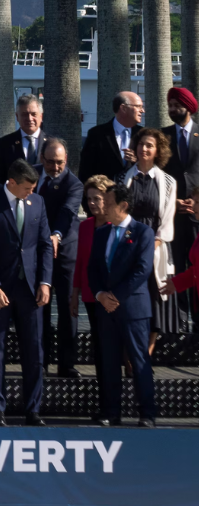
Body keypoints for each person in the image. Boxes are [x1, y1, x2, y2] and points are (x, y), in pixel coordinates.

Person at [0, 159, 52, 426]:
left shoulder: (38, 203)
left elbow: (44, 246)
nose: (32, 192)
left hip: (30, 290)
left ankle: (33, 409)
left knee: (34, 351)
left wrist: (45, 282)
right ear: (12, 183)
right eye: (28, 187)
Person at [87, 182, 158, 428]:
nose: (103, 206)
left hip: (132, 309)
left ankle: (147, 413)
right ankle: (111, 411)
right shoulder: (102, 233)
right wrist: (99, 295)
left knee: (139, 361)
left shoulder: (143, 233)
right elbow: (93, 269)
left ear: (123, 205)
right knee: (108, 361)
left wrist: (115, 297)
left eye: (108, 202)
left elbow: (142, 270)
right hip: (105, 309)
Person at [116, 128, 179, 353]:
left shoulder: (169, 182)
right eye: (141, 144)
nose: (144, 149)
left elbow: (167, 221)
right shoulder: (122, 178)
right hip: (127, 245)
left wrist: (151, 246)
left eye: (149, 146)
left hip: (156, 247)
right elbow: (118, 215)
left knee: (154, 302)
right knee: (127, 299)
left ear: (157, 151)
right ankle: (128, 356)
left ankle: (144, 356)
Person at [71, 175, 117, 427]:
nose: (92, 204)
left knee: (111, 353)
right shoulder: (85, 226)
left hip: (112, 299)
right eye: (88, 199)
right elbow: (80, 262)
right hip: (90, 296)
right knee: (100, 352)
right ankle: (105, 407)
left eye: (97, 199)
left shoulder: (117, 225)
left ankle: (114, 407)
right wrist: (75, 294)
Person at [36, 138, 84, 377]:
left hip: (64, 252)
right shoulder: (31, 176)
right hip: (36, 252)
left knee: (67, 308)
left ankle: (66, 363)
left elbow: (67, 212)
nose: (55, 167)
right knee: (40, 306)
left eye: (60, 163)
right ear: (42, 159)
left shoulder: (74, 184)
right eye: (51, 162)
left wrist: (55, 235)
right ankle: (40, 362)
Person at [162, 87, 199, 277]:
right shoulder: (161, 137)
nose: (172, 109)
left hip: (197, 214)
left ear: (189, 107)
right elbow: (158, 176)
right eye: (170, 105)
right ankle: (180, 308)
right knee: (175, 267)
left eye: (176, 105)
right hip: (172, 214)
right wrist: (172, 201)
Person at [78, 90, 144, 184]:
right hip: (105, 194)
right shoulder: (97, 134)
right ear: (123, 108)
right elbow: (85, 171)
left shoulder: (143, 134)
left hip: (135, 195)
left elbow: (152, 167)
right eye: (138, 106)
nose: (142, 110)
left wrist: (136, 162)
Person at [0, 94, 49, 181]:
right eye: (24, 114)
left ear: (41, 116)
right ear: (17, 117)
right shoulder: (5, 143)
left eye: (34, 114)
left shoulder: (51, 144)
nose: (29, 118)